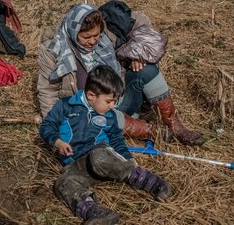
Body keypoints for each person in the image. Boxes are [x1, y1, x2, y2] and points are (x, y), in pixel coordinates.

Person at [36, 3, 205, 146]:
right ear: (74, 33)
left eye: (97, 35)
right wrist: (55, 126)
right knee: (100, 115)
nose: (93, 41)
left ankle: (176, 127)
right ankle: (153, 132)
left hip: (120, 99)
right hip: (90, 111)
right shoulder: (54, 51)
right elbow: (47, 91)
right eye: (87, 37)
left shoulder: (106, 37)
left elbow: (139, 20)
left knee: (147, 69)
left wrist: (136, 54)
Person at [40, 65, 170, 224]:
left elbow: (116, 140)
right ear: (91, 95)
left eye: (114, 101)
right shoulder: (65, 106)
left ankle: (153, 183)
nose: (112, 106)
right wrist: (57, 141)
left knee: (99, 156)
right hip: (78, 164)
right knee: (63, 183)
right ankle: (96, 212)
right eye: (109, 101)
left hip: (102, 157)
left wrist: (128, 159)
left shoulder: (109, 116)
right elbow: (47, 126)